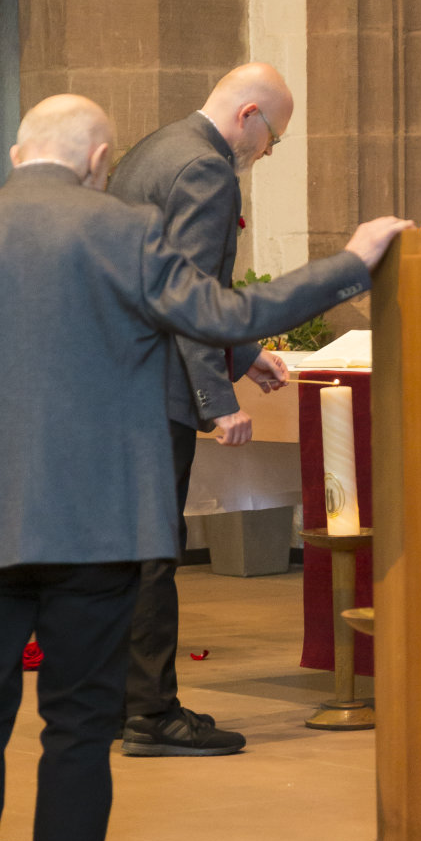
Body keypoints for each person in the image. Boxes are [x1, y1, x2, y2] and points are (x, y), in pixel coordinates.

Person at [0, 94, 409, 841]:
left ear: (20, 151)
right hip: (96, 524)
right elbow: (222, 315)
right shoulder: (127, 233)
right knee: (78, 732)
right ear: (99, 158)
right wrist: (351, 262)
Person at [107, 63, 293, 757]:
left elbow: (167, 278)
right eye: (273, 136)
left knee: (120, 550)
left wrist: (244, 352)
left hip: (117, 379)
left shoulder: (156, 149)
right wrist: (218, 402)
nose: (268, 152)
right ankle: (152, 715)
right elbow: (185, 294)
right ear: (249, 115)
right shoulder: (207, 171)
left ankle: (112, 702)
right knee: (154, 550)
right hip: (154, 387)